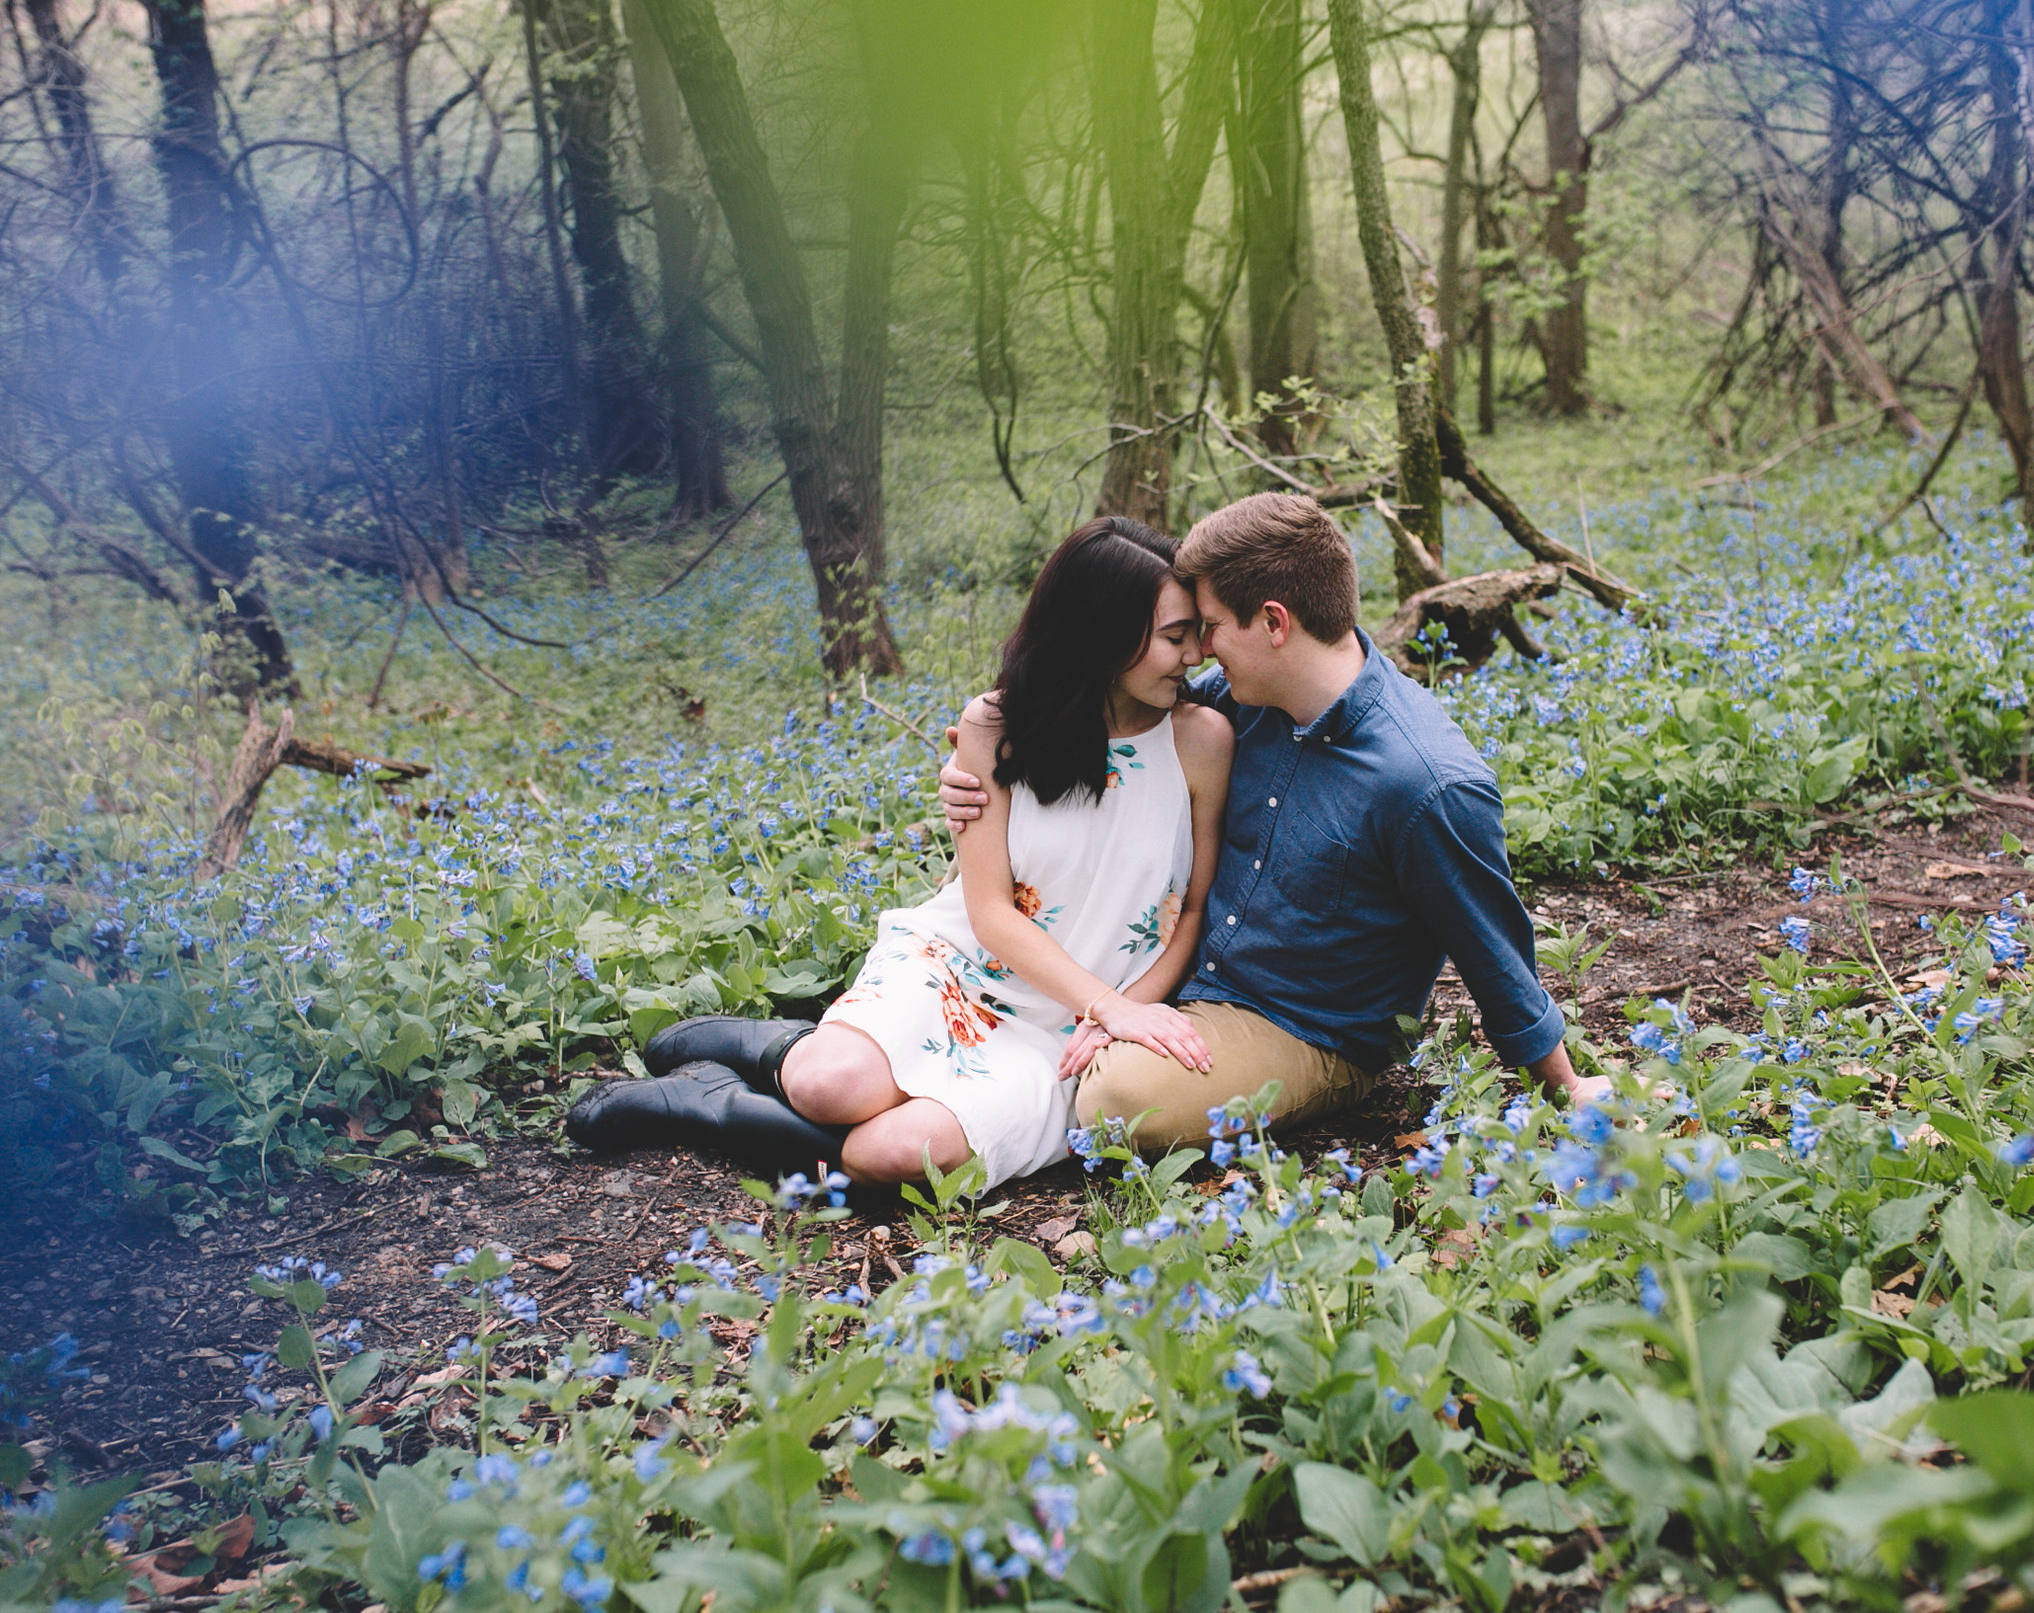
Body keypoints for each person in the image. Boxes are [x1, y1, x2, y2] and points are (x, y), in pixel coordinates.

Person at [566, 517, 1234, 1189]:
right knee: (830, 1088)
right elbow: (991, 912)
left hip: (1068, 1029)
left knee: (889, 1156)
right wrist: (1108, 1007)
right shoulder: (997, 725)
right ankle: (771, 1047)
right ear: (1103, 633)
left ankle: (711, 1106)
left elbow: (1192, 910)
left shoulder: (1201, 741)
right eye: (1175, 638)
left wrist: (1119, 1012)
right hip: (963, 966)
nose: (1195, 657)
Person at [940, 492, 1595, 1153]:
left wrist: (1564, 1085)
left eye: (1213, 626)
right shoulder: (1240, 700)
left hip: (1303, 1027)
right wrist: (977, 772)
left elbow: (1493, 951)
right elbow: (1111, 719)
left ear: (1274, 622)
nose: (1198, 650)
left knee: (1118, 1099)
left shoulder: (1424, 781)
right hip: (1183, 972)